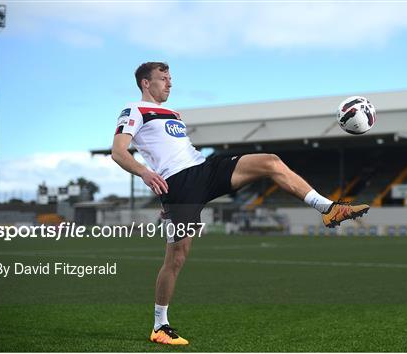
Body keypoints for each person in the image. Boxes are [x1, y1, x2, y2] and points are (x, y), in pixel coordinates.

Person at [111, 62, 369, 345]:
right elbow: (119, 152)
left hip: (204, 170)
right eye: (163, 79)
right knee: (176, 258)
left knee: (270, 161)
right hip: (179, 186)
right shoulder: (134, 109)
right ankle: (160, 325)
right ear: (146, 83)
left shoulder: (174, 114)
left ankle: (329, 209)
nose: (170, 83)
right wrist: (146, 174)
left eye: (170, 78)